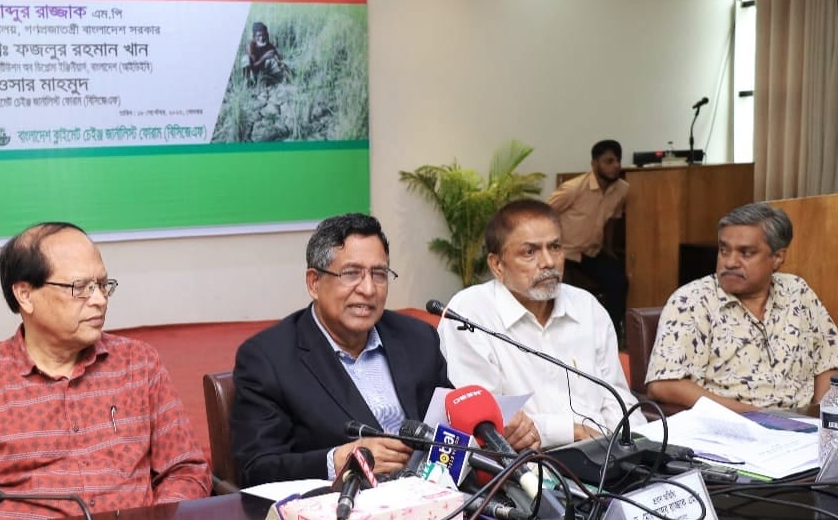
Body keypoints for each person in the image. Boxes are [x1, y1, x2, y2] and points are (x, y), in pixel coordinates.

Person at [0, 222, 211, 520]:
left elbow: (185, 470)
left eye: (102, 285)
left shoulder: (139, 365)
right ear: (25, 295)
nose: (99, 300)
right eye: (80, 288)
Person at [230, 213, 540, 487]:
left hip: (438, 498)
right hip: (346, 513)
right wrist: (336, 461)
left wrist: (493, 436)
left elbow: (448, 424)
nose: (368, 289)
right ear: (314, 282)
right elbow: (256, 469)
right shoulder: (268, 359)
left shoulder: (417, 338)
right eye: (351, 274)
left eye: (379, 274)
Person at [438, 200, 632, 447]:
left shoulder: (587, 306)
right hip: (523, 461)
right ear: (497, 265)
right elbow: (485, 421)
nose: (549, 262)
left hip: (605, 452)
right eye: (530, 252)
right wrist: (570, 431)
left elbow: (618, 399)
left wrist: (628, 445)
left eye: (555, 247)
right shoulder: (470, 313)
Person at [646, 203, 838, 412]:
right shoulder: (692, 300)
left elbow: (828, 363)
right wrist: (758, 416)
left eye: (745, 253)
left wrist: (823, 416)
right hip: (729, 424)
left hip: (804, 424)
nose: (730, 263)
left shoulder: (797, 292)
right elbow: (664, 385)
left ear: (778, 257)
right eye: (724, 250)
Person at [548, 139, 629, 335]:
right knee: (563, 293)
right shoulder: (573, 188)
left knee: (619, 282)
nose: (615, 166)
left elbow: (613, 220)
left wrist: (609, 249)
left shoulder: (622, 189)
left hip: (592, 252)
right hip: (565, 252)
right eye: (609, 161)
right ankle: (566, 336)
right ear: (594, 164)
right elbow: (544, 214)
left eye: (618, 160)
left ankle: (610, 333)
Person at [242, 21, 287, 86]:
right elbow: (253, 67)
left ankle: (270, 81)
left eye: (264, 35)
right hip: (253, 73)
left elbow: (279, 60)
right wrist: (264, 57)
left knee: (274, 60)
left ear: (267, 35)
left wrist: (280, 61)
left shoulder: (268, 45)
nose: (261, 38)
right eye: (259, 36)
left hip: (263, 73)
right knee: (245, 59)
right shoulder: (250, 46)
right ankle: (247, 83)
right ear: (254, 37)